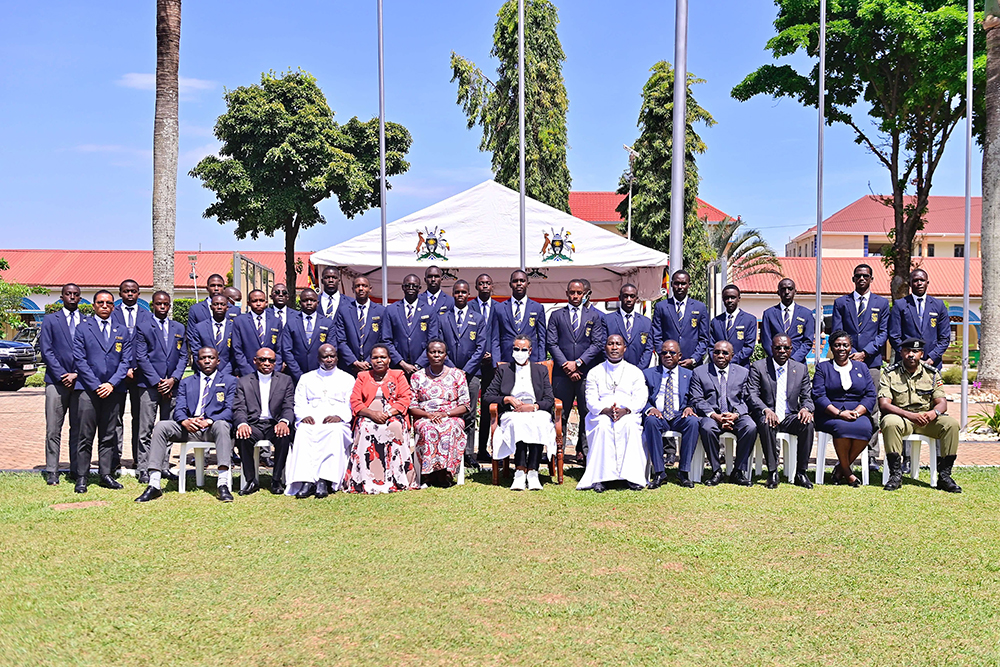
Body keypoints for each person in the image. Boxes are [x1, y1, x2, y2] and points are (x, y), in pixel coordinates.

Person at [134, 347, 237, 503]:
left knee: (223, 425)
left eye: (211, 357)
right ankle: (154, 484)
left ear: (218, 361)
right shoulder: (186, 382)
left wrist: (209, 420)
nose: (207, 360)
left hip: (213, 428)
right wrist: (185, 421)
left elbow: (231, 410)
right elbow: (179, 409)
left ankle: (222, 484)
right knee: (161, 426)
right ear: (197, 361)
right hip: (190, 428)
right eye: (203, 358)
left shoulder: (230, 381)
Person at [879, 337, 962, 493]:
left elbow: (942, 403)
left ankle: (945, 476)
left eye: (915, 351)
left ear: (922, 354)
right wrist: (910, 416)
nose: (911, 355)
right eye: (907, 351)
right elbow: (884, 404)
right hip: (902, 419)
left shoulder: (932, 374)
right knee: (889, 422)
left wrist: (933, 413)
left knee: (951, 424)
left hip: (926, 420)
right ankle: (895, 475)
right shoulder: (890, 374)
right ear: (901, 353)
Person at [831, 263, 890, 474]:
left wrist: (864, 353)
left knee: (871, 409)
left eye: (866, 276)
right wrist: (851, 352)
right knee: (845, 404)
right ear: (853, 279)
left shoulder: (882, 303)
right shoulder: (841, 303)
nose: (862, 279)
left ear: (872, 279)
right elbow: (837, 331)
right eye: (858, 276)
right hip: (845, 362)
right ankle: (847, 455)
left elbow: (883, 333)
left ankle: (872, 456)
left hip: (871, 363)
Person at [72, 290, 131, 493]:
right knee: (85, 435)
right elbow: (79, 360)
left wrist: (111, 384)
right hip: (88, 391)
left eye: (108, 303)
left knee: (108, 435)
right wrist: (97, 385)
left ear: (113, 306)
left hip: (114, 391)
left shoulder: (122, 330)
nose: (105, 306)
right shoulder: (82, 328)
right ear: (94, 305)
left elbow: (126, 362)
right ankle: (82, 477)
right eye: (101, 302)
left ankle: (105, 474)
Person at [483, 336, 557, 491]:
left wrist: (534, 406)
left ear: (530, 351)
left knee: (539, 422)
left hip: (535, 410)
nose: (520, 352)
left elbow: (549, 399)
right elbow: (488, 396)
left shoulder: (540, 370)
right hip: (513, 412)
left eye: (523, 349)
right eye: (516, 349)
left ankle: (533, 471)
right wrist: (507, 399)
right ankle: (519, 470)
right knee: (518, 423)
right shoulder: (504, 370)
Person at [577, 335, 648, 492]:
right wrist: (606, 410)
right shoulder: (595, 372)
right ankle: (599, 477)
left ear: (624, 348)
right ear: (605, 347)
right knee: (603, 425)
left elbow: (641, 397)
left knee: (629, 425)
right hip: (601, 413)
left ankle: (632, 477)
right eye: (610, 344)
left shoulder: (634, 372)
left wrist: (626, 410)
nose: (614, 347)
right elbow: (590, 399)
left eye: (618, 344)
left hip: (628, 412)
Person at [548, 279, 607, 465]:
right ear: (567, 293)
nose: (575, 296)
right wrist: (566, 364)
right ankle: (557, 453)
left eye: (579, 293)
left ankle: (586, 454)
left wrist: (579, 364)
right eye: (572, 292)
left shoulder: (595, 316)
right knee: (560, 413)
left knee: (586, 412)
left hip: (585, 374)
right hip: (562, 374)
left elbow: (597, 343)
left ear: (585, 295)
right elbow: (552, 342)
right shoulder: (557, 315)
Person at [745, 334, 815, 489]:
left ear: (791, 349)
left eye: (786, 348)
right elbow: (752, 395)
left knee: (808, 423)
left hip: (790, 416)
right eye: (778, 348)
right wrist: (765, 410)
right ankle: (772, 472)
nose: (782, 351)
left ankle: (801, 472)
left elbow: (807, 396)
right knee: (766, 422)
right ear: (772, 349)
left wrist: (806, 409)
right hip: (768, 414)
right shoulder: (759, 367)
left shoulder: (800, 369)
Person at [285, 344, 355, 499]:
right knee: (303, 431)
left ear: (337, 358)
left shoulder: (347, 378)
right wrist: (303, 417)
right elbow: (299, 402)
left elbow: (350, 404)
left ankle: (325, 480)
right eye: (325, 357)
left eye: (332, 356)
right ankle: (306, 481)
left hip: (337, 421)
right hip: (312, 419)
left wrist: (340, 417)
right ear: (318, 359)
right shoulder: (307, 378)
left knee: (334, 431)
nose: (329, 360)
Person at [344, 344, 416, 494]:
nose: (379, 360)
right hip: (368, 415)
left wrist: (388, 413)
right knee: (365, 427)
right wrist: (371, 414)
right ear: (370, 360)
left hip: (393, 415)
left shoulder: (398, 375)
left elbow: (405, 399)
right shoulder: (363, 376)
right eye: (375, 358)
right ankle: (365, 480)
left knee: (395, 427)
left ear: (389, 360)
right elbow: (355, 401)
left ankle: (397, 479)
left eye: (383, 357)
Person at [133, 291, 186, 483]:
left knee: (169, 427)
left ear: (169, 305)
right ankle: (144, 467)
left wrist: (173, 379)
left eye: (166, 304)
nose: (162, 307)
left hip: (172, 386)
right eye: (159, 304)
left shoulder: (179, 327)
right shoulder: (143, 327)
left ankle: (164, 466)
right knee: (145, 429)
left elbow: (183, 357)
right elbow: (142, 357)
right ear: (152, 305)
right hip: (149, 385)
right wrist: (158, 382)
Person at [812, 330, 877, 487]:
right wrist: (839, 413)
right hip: (830, 414)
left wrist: (858, 411)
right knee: (841, 427)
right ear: (832, 347)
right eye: (837, 345)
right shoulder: (823, 368)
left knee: (866, 428)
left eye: (845, 345)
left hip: (857, 412)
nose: (841, 348)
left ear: (851, 348)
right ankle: (848, 473)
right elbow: (819, 396)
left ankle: (841, 469)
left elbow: (870, 395)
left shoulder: (862, 368)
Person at [690, 341, 757, 486]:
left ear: (732, 356)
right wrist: (714, 415)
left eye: (725, 353)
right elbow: (697, 399)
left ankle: (738, 471)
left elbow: (748, 399)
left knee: (750, 427)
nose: (720, 355)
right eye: (717, 352)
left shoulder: (743, 372)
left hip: (735, 415)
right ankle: (716, 471)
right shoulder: (699, 372)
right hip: (712, 415)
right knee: (707, 428)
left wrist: (736, 414)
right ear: (711, 353)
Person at [439, 280, 487, 470]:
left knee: (469, 413)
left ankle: (468, 453)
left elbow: (481, 346)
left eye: (463, 292)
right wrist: (452, 369)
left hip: (471, 374)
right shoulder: (444, 318)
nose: (460, 295)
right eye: (457, 292)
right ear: (453, 294)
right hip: (448, 374)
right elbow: (439, 345)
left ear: (469, 295)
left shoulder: (478, 318)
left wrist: (466, 370)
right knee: (449, 412)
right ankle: (449, 452)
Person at [409, 340, 471, 487]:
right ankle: (429, 474)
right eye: (433, 352)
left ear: (445, 355)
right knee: (429, 429)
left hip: (451, 416)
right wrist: (428, 415)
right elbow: (411, 406)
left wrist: (446, 414)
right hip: (425, 416)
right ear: (427, 354)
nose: (436, 355)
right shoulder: (417, 376)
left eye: (440, 352)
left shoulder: (457, 375)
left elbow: (465, 405)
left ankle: (445, 473)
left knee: (449, 428)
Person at [233, 347, 295, 495]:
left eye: (271, 360)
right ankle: (251, 480)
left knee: (284, 435)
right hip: (254, 424)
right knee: (242, 436)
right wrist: (242, 424)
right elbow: (239, 408)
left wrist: (284, 421)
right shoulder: (244, 381)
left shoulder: (285, 380)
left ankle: (276, 480)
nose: (267, 363)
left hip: (275, 423)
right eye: (263, 359)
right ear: (255, 361)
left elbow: (289, 405)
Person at [641, 340, 700, 488]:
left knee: (693, 422)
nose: (667, 355)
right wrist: (650, 409)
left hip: (680, 415)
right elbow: (641, 398)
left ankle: (684, 472)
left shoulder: (690, 374)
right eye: (664, 353)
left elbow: (695, 397)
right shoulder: (648, 374)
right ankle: (659, 472)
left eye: (672, 353)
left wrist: (690, 407)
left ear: (679, 356)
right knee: (650, 421)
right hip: (659, 415)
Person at [40, 283, 83, 483]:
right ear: (62, 296)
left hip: (80, 383)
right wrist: (63, 374)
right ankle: (52, 470)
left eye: (76, 294)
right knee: (53, 428)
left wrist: (76, 374)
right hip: (56, 383)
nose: (72, 297)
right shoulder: (50, 320)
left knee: (78, 428)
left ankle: (76, 469)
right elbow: (46, 350)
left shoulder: (87, 321)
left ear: (80, 298)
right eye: (68, 294)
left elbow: (90, 352)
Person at [111, 279, 151, 474]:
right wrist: (123, 367)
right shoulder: (112, 313)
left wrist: (135, 367)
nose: (129, 294)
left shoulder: (147, 315)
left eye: (133, 291)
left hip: (139, 374)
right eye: (126, 291)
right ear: (120, 293)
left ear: (138, 293)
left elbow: (148, 345)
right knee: (115, 417)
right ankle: (114, 459)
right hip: (116, 374)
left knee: (139, 418)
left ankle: (139, 459)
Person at [888, 268, 951, 369]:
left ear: (927, 282)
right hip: (905, 363)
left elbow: (945, 337)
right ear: (910, 283)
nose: (919, 283)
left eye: (922, 280)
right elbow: (894, 335)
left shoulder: (939, 305)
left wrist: (932, 358)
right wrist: (908, 355)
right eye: (915, 280)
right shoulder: (900, 305)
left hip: (932, 363)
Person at [651, 270, 710, 369]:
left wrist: (694, 359)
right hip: (667, 364)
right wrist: (666, 355)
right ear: (671, 284)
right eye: (676, 283)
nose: (680, 287)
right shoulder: (661, 307)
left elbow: (704, 338)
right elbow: (656, 336)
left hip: (692, 366)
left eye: (683, 284)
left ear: (689, 285)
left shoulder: (700, 307)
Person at [384, 274, 440, 375]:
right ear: (402, 287)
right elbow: (386, 340)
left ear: (419, 288)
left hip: (422, 367)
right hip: (398, 366)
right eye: (407, 285)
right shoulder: (391, 309)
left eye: (414, 286)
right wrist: (402, 363)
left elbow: (432, 340)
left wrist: (419, 364)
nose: (411, 288)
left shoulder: (429, 310)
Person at [491, 270, 547, 366]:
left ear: (528, 284)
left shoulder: (537, 307)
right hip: (507, 360)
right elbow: (495, 338)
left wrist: (541, 360)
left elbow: (542, 337)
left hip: (531, 360)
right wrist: (496, 362)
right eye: (515, 281)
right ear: (510, 284)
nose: (519, 284)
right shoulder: (499, 308)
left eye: (522, 281)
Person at [469, 273, 497, 462]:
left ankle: (484, 449)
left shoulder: (499, 307)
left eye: (488, 283)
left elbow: (499, 335)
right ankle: (467, 452)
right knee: (469, 409)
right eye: (481, 283)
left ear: (492, 286)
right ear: (476, 286)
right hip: (472, 365)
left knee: (488, 408)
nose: (485, 286)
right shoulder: (468, 305)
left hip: (492, 366)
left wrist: (493, 356)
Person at [280, 288, 335, 384]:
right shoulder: (291, 322)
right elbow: (286, 350)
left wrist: (321, 371)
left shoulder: (327, 323)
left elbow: (332, 348)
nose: (309, 303)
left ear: (317, 303)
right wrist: (297, 373)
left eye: (312, 300)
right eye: (305, 300)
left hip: (321, 374)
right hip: (296, 374)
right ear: (300, 302)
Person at [335, 276, 386, 376]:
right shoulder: (344, 311)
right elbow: (341, 340)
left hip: (373, 366)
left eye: (364, 286)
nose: (361, 288)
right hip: (349, 367)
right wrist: (354, 361)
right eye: (357, 286)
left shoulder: (381, 311)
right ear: (353, 289)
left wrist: (369, 361)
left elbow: (382, 339)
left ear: (370, 289)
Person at [761, 278, 815, 362]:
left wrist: (795, 359)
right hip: (775, 362)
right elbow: (766, 340)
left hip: (798, 362)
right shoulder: (769, 314)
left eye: (790, 289)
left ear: (795, 291)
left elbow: (808, 341)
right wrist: (777, 358)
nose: (787, 292)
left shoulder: (806, 314)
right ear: (778, 292)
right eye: (783, 289)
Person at [232, 289, 283, 376]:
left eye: (261, 300)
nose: (258, 303)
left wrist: (275, 369)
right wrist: (248, 372)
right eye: (254, 301)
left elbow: (279, 349)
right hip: (248, 371)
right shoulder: (239, 321)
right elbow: (237, 349)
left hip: (271, 372)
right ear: (248, 303)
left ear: (266, 302)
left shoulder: (276, 321)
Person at [605, 283, 654, 370]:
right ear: (620, 298)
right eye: (625, 296)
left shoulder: (646, 322)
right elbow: (603, 346)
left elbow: (648, 349)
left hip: (638, 371)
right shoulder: (608, 319)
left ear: (636, 299)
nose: (629, 299)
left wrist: (638, 370)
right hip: (613, 370)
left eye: (632, 296)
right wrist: (613, 366)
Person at [187, 294, 237, 376]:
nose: (219, 307)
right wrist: (207, 370)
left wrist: (225, 372)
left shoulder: (234, 327)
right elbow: (196, 351)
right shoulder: (200, 327)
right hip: (204, 373)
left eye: (222, 304)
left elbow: (236, 353)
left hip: (228, 374)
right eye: (216, 304)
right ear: (211, 307)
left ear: (227, 308)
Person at [709, 284, 758, 368]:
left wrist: (730, 360)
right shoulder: (716, 321)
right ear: (723, 299)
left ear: (739, 298)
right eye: (726, 298)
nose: (730, 300)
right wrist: (718, 360)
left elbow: (749, 347)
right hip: (718, 368)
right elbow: (711, 346)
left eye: (733, 297)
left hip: (741, 367)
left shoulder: (749, 320)